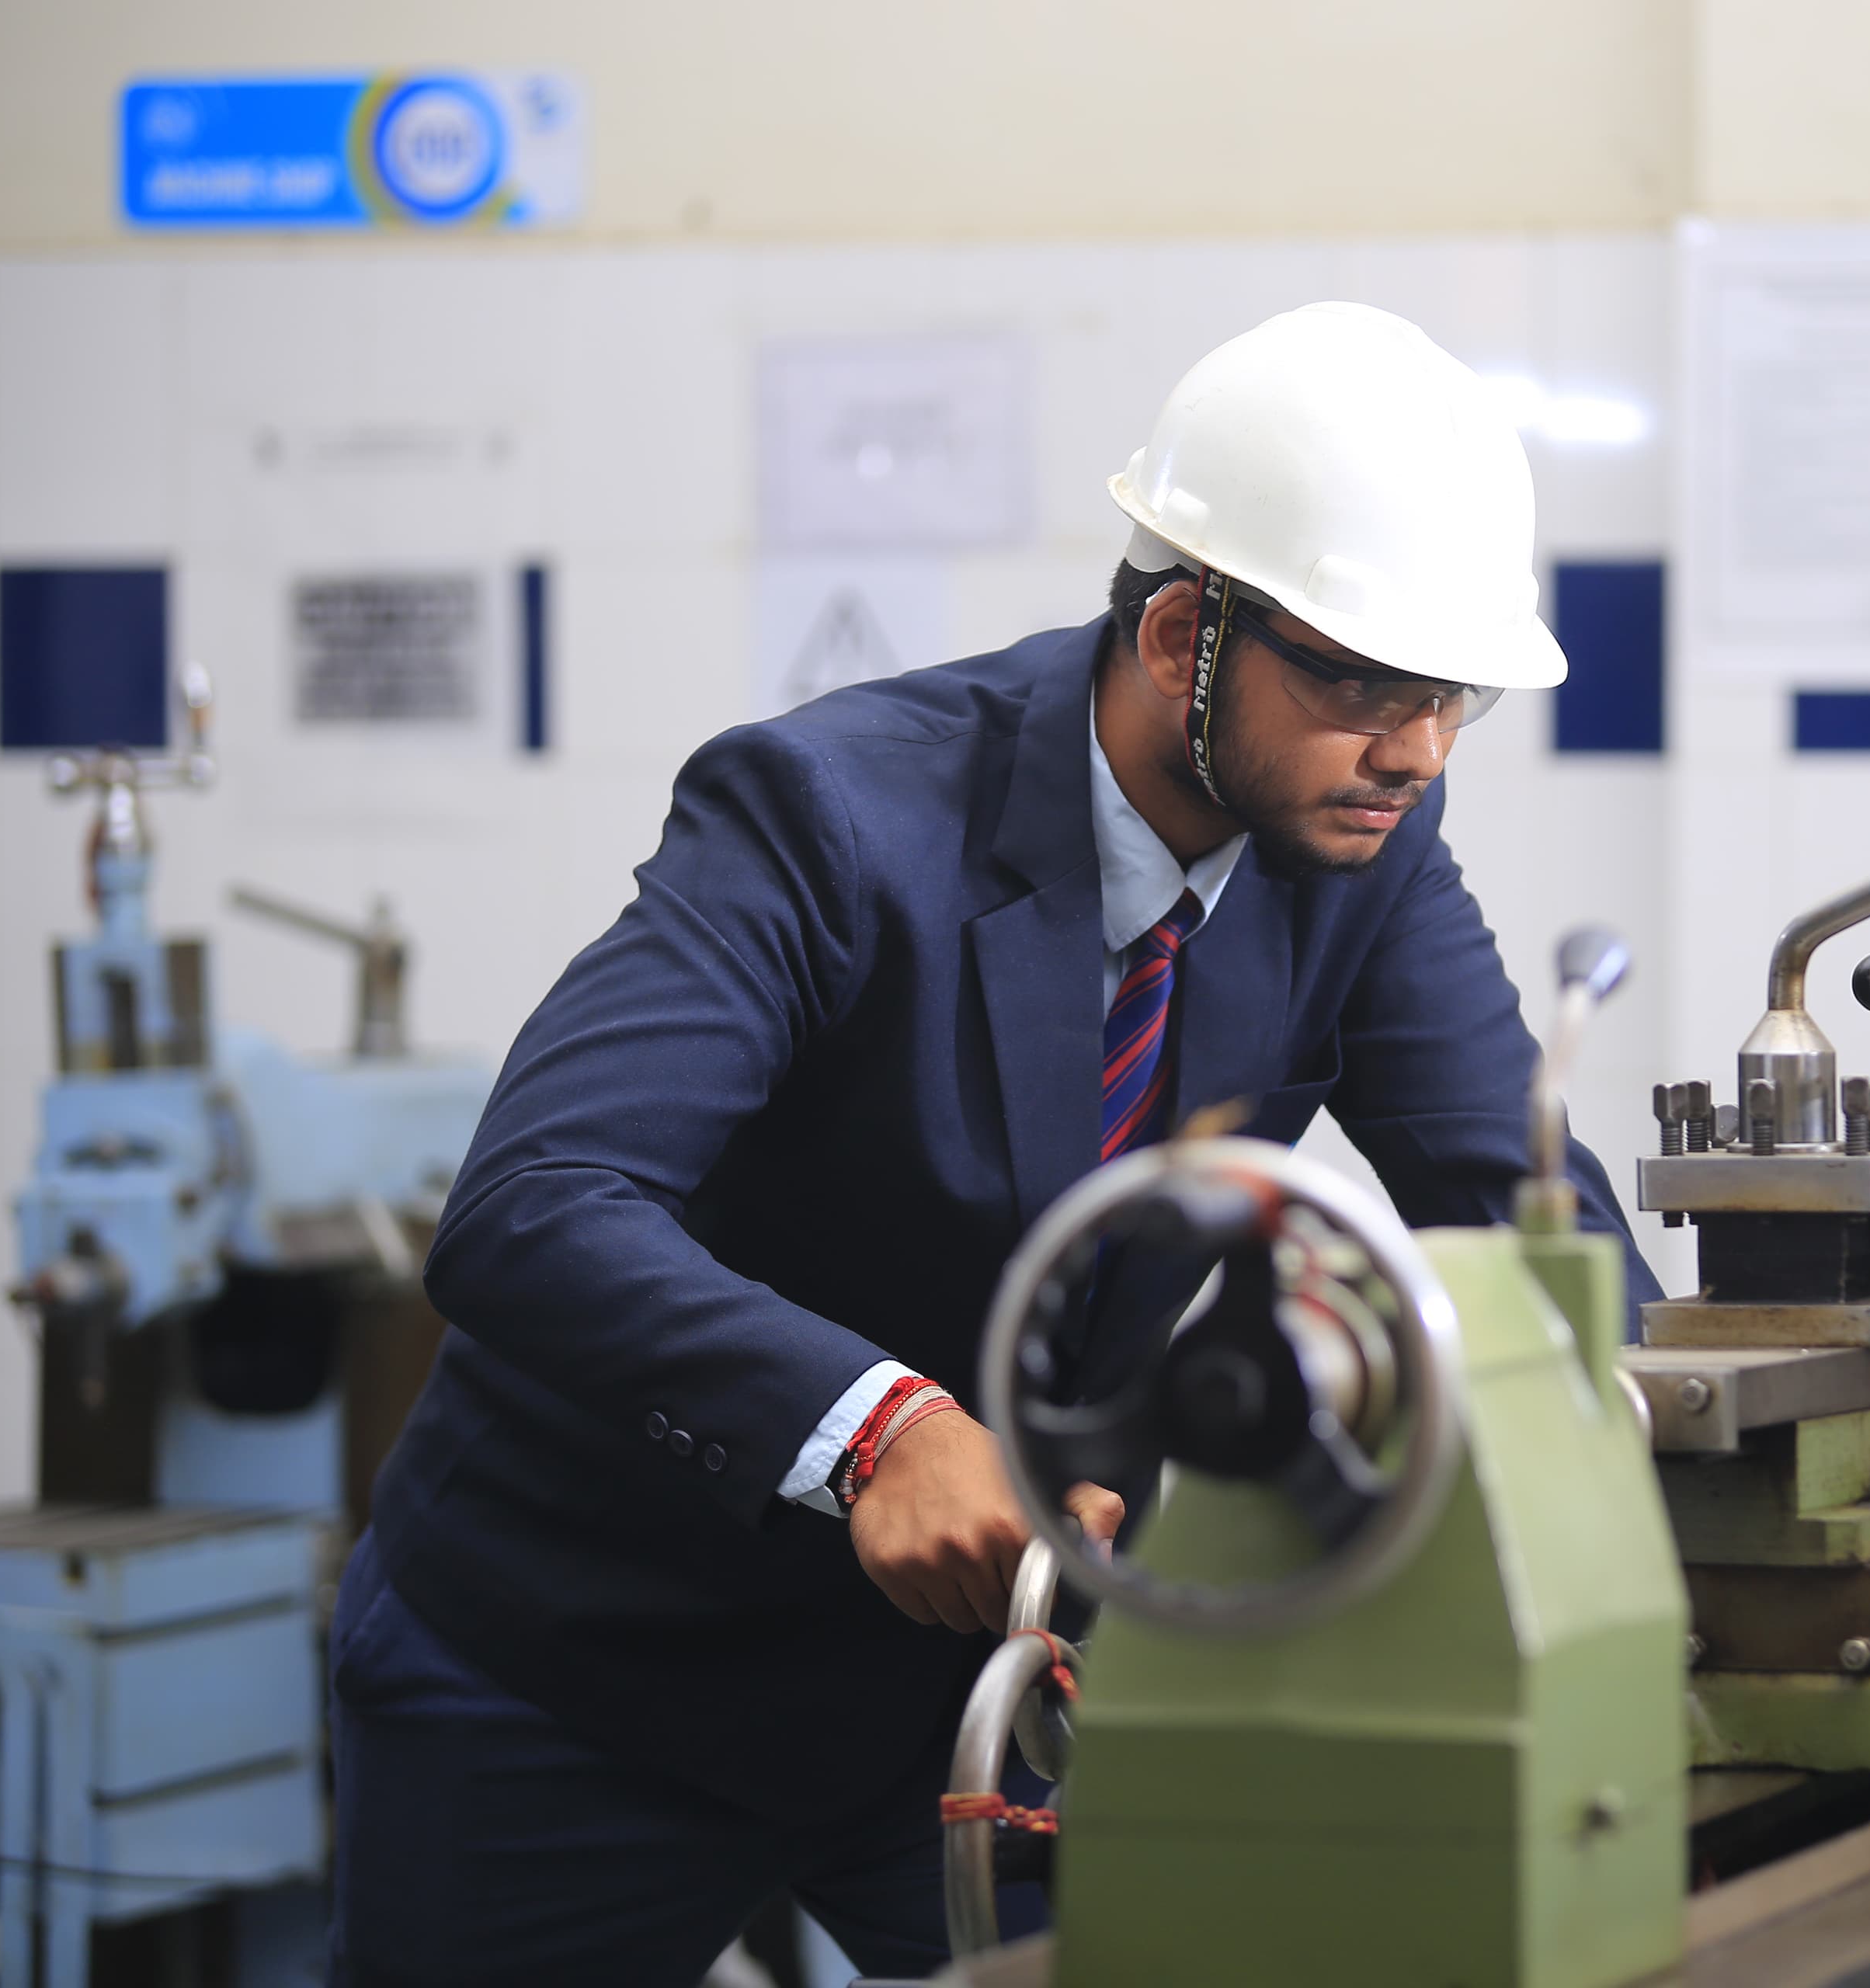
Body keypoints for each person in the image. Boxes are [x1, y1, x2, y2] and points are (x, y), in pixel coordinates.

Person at [327, 302, 1660, 1985]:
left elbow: (1512, 1190)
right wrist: (876, 1430)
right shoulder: (832, 818)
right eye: (1364, 680)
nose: (1417, 746)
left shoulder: (1359, 844)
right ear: (1184, 628)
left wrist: (1672, 1429)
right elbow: (532, 1204)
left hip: (977, 1680)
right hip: (582, 1672)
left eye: (1453, 694)